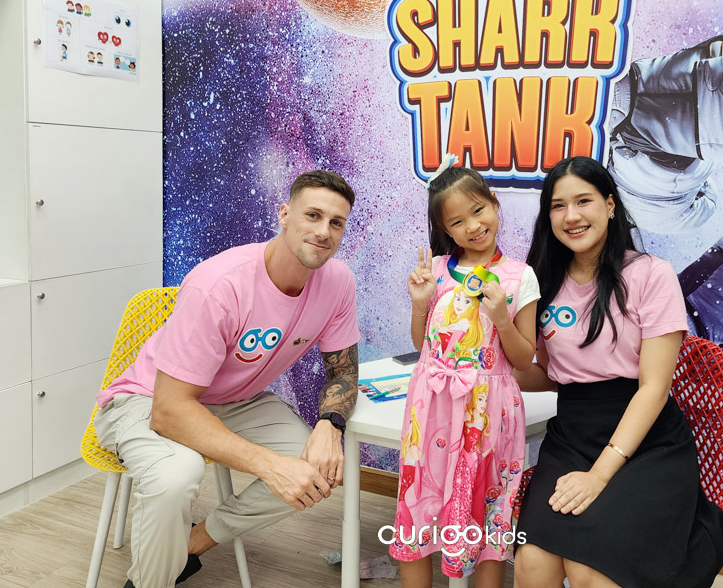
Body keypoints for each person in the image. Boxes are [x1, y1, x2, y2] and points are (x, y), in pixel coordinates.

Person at [94, 170, 361, 588]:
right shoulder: (219, 285)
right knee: (175, 476)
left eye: (336, 222)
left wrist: (331, 424)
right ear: (284, 215)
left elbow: (343, 370)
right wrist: (271, 466)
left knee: (317, 466)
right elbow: (169, 410)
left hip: (236, 399)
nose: (324, 231)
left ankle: (193, 543)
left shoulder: (338, 282)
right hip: (148, 399)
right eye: (313, 215)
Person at [514, 156, 723, 588]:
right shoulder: (541, 281)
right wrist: (483, 368)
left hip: (645, 441)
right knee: (533, 562)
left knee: (590, 572)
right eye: (558, 206)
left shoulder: (651, 274)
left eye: (584, 201)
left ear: (610, 205)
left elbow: (654, 388)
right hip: (572, 436)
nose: (571, 216)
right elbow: (550, 374)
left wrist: (599, 474)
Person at [389, 157, 539, 587]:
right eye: (457, 221)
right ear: (446, 229)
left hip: (488, 414)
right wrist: (420, 304)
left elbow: (524, 358)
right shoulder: (436, 270)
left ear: (494, 204)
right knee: (417, 506)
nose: (473, 226)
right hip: (431, 407)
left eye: (478, 210)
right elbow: (424, 345)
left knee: (486, 512)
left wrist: (502, 318)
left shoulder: (520, 276)